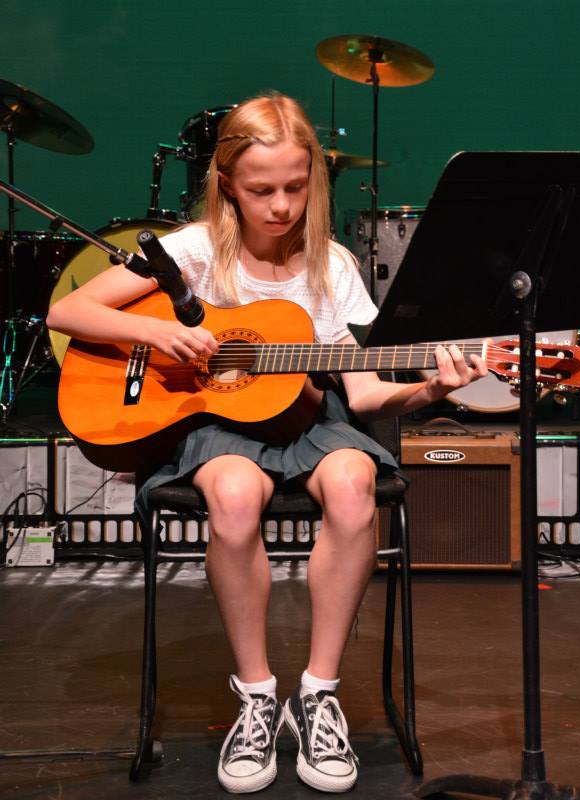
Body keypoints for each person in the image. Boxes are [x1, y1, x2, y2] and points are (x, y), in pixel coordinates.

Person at [47, 92, 487, 794]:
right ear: (227, 185)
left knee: (353, 486)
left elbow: (367, 393)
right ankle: (255, 697)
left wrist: (433, 390)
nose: (280, 205)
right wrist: (156, 332)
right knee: (232, 495)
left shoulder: (331, 265)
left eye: (294, 186)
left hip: (312, 421)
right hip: (217, 426)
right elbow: (68, 310)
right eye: (260, 190)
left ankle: (317, 694)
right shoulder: (190, 252)